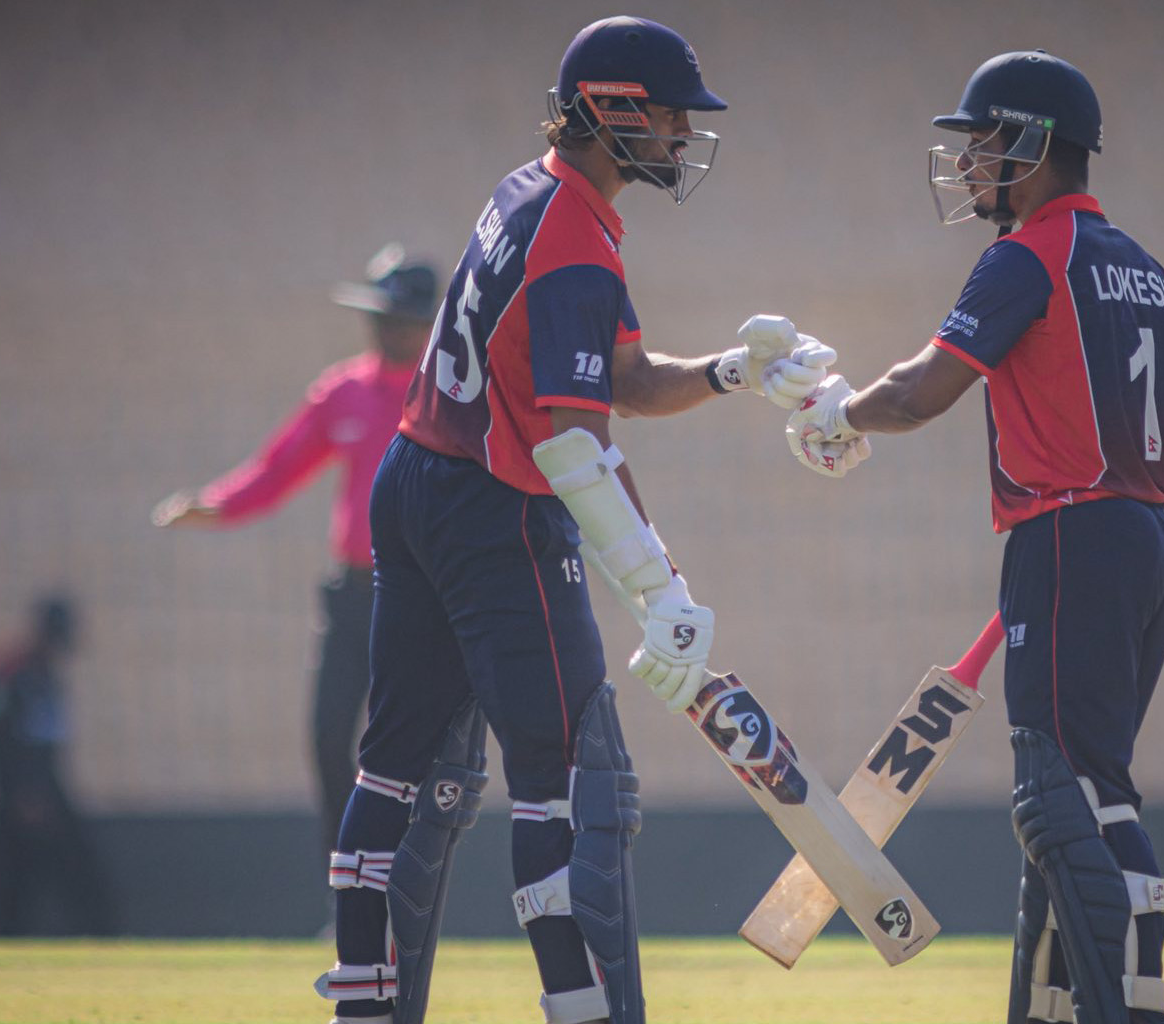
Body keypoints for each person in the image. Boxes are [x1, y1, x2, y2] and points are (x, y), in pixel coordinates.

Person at [316, 16, 832, 1024]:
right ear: (608, 109)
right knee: (562, 779)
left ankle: (363, 1002)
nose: (683, 135)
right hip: (495, 510)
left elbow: (623, 380)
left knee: (393, 766)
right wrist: (660, 590)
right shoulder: (576, 244)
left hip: (417, 478)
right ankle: (578, 1007)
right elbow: (573, 451)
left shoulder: (532, 191)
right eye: (669, 115)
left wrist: (733, 370)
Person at [783, 50, 1164, 1024]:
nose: (969, 162)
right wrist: (1116, 485)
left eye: (983, 141)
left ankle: (1128, 1006)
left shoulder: (1025, 256)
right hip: (1141, 536)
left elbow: (921, 391)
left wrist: (838, 417)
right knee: (1076, 794)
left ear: (1030, 145)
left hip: (1070, 537)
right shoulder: (1143, 269)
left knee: (1065, 794)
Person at [151, 246, 439, 855]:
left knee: (417, 750)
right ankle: (346, 875)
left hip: (425, 599)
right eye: (380, 317)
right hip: (355, 594)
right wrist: (216, 505)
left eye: (400, 319)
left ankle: (409, 875)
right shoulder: (343, 391)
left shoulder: (449, 395)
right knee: (329, 736)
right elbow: (278, 468)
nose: (387, 330)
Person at [0, 591, 116, 936]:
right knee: (19, 882)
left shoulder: (46, 674)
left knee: (77, 876)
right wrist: (21, 791)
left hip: (47, 784)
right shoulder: (10, 672)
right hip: (21, 789)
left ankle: (98, 940)